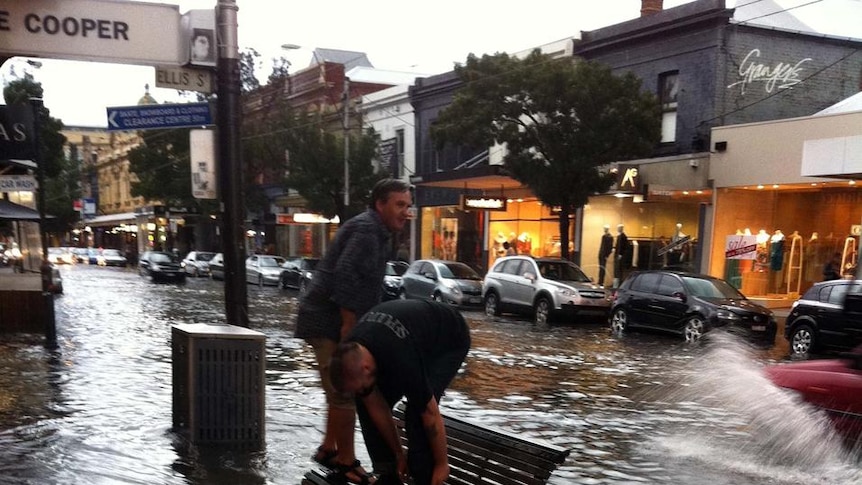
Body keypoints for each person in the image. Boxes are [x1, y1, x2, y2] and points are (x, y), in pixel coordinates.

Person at [295, 178, 412, 485]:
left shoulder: (378, 231)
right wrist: (349, 324)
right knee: (345, 390)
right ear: (380, 204)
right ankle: (345, 461)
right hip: (326, 318)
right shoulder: (368, 229)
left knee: (338, 388)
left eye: (408, 205)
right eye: (400, 204)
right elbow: (346, 273)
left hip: (324, 315)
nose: (406, 211)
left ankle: (328, 448)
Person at [330, 299, 471, 485]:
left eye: (361, 386)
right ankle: (389, 475)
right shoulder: (351, 350)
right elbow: (377, 409)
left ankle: (425, 478)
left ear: (366, 368)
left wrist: (442, 464)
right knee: (364, 405)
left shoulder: (400, 357)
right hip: (411, 334)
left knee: (416, 411)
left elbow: (429, 412)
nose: (362, 390)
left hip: (449, 340)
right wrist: (398, 454)